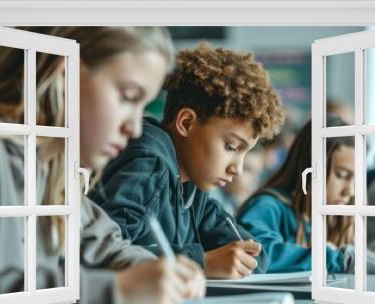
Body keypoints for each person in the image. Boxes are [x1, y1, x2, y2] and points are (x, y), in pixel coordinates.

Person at [0, 26, 205, 304]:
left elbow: (106, 247)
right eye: (128, 97)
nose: (135, 128)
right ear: (65, 75)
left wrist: (155, 273)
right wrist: (117, 291)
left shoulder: (54, 170)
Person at [90, 42, 286, 279]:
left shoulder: (193, 183)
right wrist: (202, 263)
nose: (238, 168)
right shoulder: (147, 162)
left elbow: (253, 255)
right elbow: (102, 253)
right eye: (231, 147)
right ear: (186, 123)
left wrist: (244, 256)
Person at [236, 115, 356, 273]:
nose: (350, 191)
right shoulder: (267, 206)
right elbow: (259, 254)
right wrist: (339, 259)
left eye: (356, 180)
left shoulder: (338, 220)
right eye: (341, 175)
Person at [209, 145, 265, 215]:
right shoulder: (210, 199)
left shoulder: (233, 202)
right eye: (247, 169)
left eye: (257, 173)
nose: (254, 180)